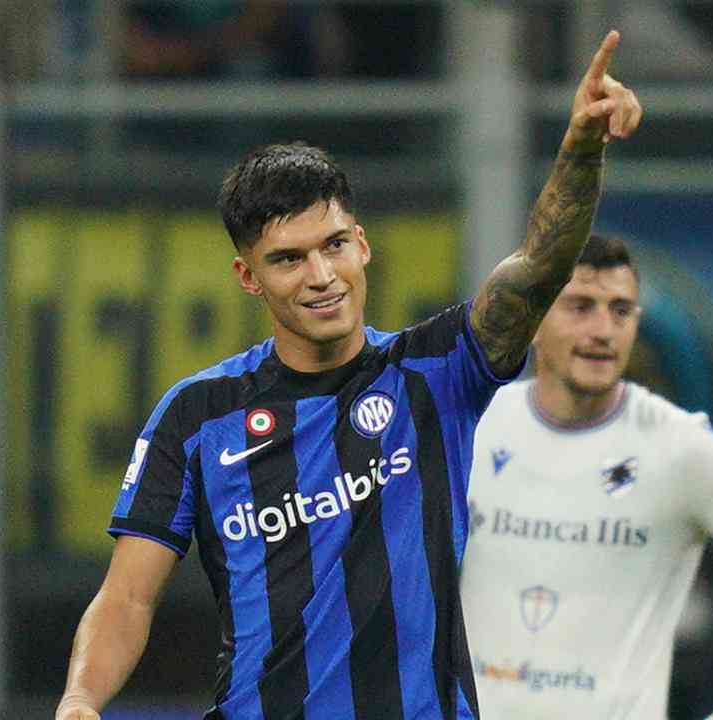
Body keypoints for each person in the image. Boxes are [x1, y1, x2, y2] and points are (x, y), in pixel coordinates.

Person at [56, 30, 642, 720]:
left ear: (362, 244)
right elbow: (127, 596)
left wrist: (581, 150)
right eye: (288, 259)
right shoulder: (197, 416)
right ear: (248, 277)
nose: (321, 276)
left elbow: (540, 266)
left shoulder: (435, 371)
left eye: (334, 245)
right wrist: (80, 698)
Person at [459, 234, 713, 719]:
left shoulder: (683, 449)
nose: (603, 330)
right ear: (534, 320)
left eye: (620, 311)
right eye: (581, 307)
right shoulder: (472, 427)